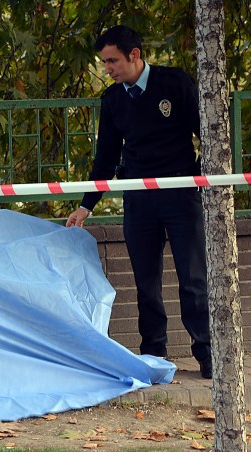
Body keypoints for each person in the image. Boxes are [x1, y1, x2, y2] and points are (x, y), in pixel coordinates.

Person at [65, 25, 212, 379]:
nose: (108, 69)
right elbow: (104, 159)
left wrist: (196, 180)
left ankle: (209, 354)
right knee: (146, 282)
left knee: (192, 278)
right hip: (139, 201)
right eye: (104, 62)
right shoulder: (113, 100)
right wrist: (86, 205)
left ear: (134, 55)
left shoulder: (174, 84)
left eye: (113, 60)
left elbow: (208, 133)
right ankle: (153, 356)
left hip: (181, 196)